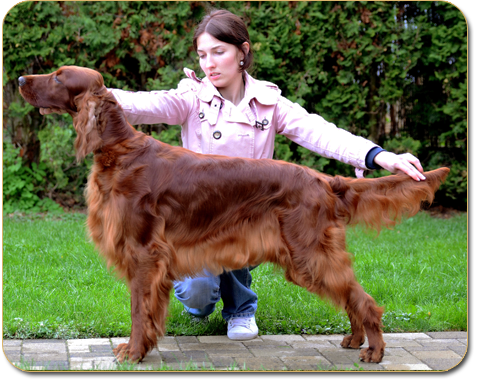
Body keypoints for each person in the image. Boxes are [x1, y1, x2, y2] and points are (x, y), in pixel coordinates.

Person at [41, 9, 426, 341]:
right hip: (199, 219)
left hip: (256, 213)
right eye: (202, 54)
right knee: (197, 294)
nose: (209, 63)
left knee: (305, 264)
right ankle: (203, 297)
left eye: (219, 52)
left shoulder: (271, 102)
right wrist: (76, 95)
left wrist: (379, 156)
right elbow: (140, 103)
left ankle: (242, 309)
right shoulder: (190, 97)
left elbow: (321, 133)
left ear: (242, 52)